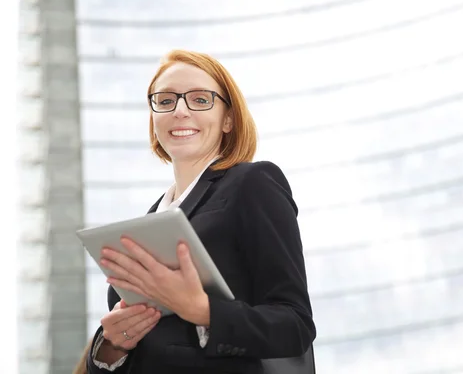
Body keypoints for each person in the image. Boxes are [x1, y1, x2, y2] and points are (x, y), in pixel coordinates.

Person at [85, 49, 316, 373]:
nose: (179, 111)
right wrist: (111, 346)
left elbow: (295, 326)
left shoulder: (252, 183)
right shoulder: (147, 224)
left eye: (200, 99)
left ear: (228, 119)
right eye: (165, 101)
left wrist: (203, 310)